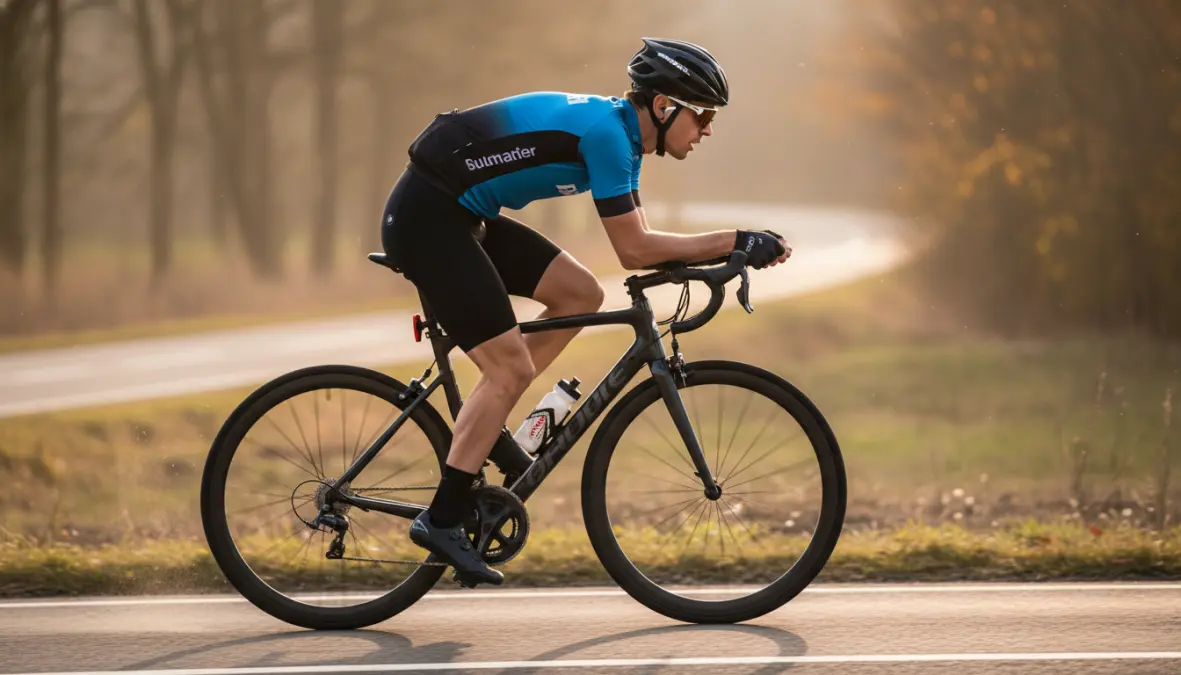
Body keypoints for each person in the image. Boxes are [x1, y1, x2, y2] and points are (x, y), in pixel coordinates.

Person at [381, 37, 790, 586]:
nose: (709, 129)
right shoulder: (609, 138)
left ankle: (489, 425)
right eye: (703, 115)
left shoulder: (619, 135)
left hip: (458, 212)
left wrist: (725, 249)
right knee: (510, 369)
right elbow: (636, 250)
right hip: (429, 218)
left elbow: (640, 245)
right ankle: (444, 518)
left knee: (580, 295)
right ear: (664, 108)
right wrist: (734, 239)